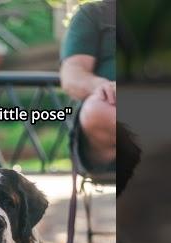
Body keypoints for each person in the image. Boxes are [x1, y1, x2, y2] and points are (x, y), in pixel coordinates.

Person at [60, 0, 116, 170]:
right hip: (112, 110)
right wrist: (101, 86)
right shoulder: (93, 13)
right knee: (98, 108)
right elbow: (72, 73)